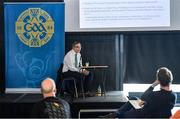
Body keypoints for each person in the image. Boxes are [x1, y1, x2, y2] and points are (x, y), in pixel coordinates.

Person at [101, 67, 177, 118]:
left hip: (145, 115)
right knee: (133, 99)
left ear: (159, 80)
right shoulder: (174, 95)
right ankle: (114, 114)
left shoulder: (154, 95)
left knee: (123, 114)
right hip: (155, 112)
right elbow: (158, 103)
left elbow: (144, 97)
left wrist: (154, 84)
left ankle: (115, 115)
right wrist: (147, 103)